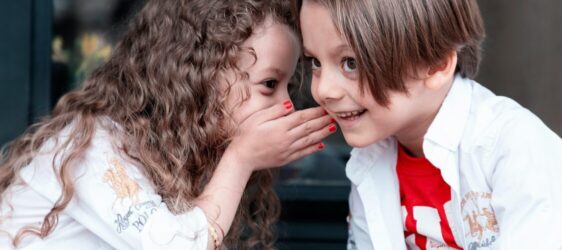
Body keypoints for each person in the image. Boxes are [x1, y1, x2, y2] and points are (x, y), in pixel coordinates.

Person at [0, 0, 337, 249]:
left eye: (288, 88)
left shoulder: (177, 152)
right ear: (201, 77)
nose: (285, 106)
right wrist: (241, 158)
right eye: (269, 85)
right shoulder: (94, 145)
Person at [296, 0, 562, 249]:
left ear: (436, 65)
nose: (324, 89)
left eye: (350, 63)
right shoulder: (369, 162)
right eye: (315, 62)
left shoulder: (514, 146)